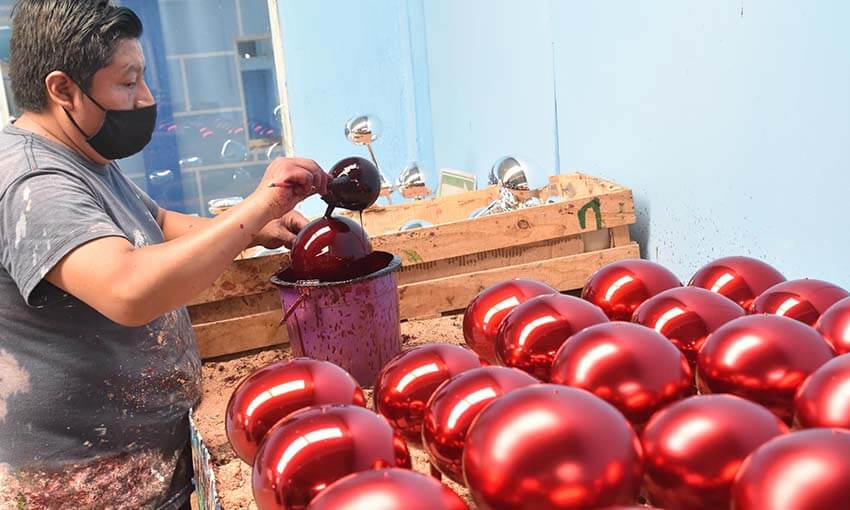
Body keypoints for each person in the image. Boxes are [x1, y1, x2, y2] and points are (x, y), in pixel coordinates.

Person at [0, 1, 329, 508]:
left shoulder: (82, 156)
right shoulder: (35, 183)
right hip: (84, 486)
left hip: (142, 465)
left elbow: (154, 225)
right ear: (63, 89)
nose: (146, 97)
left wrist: (254, 227)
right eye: (128, 82)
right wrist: (260, 203)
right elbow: (129, 288)